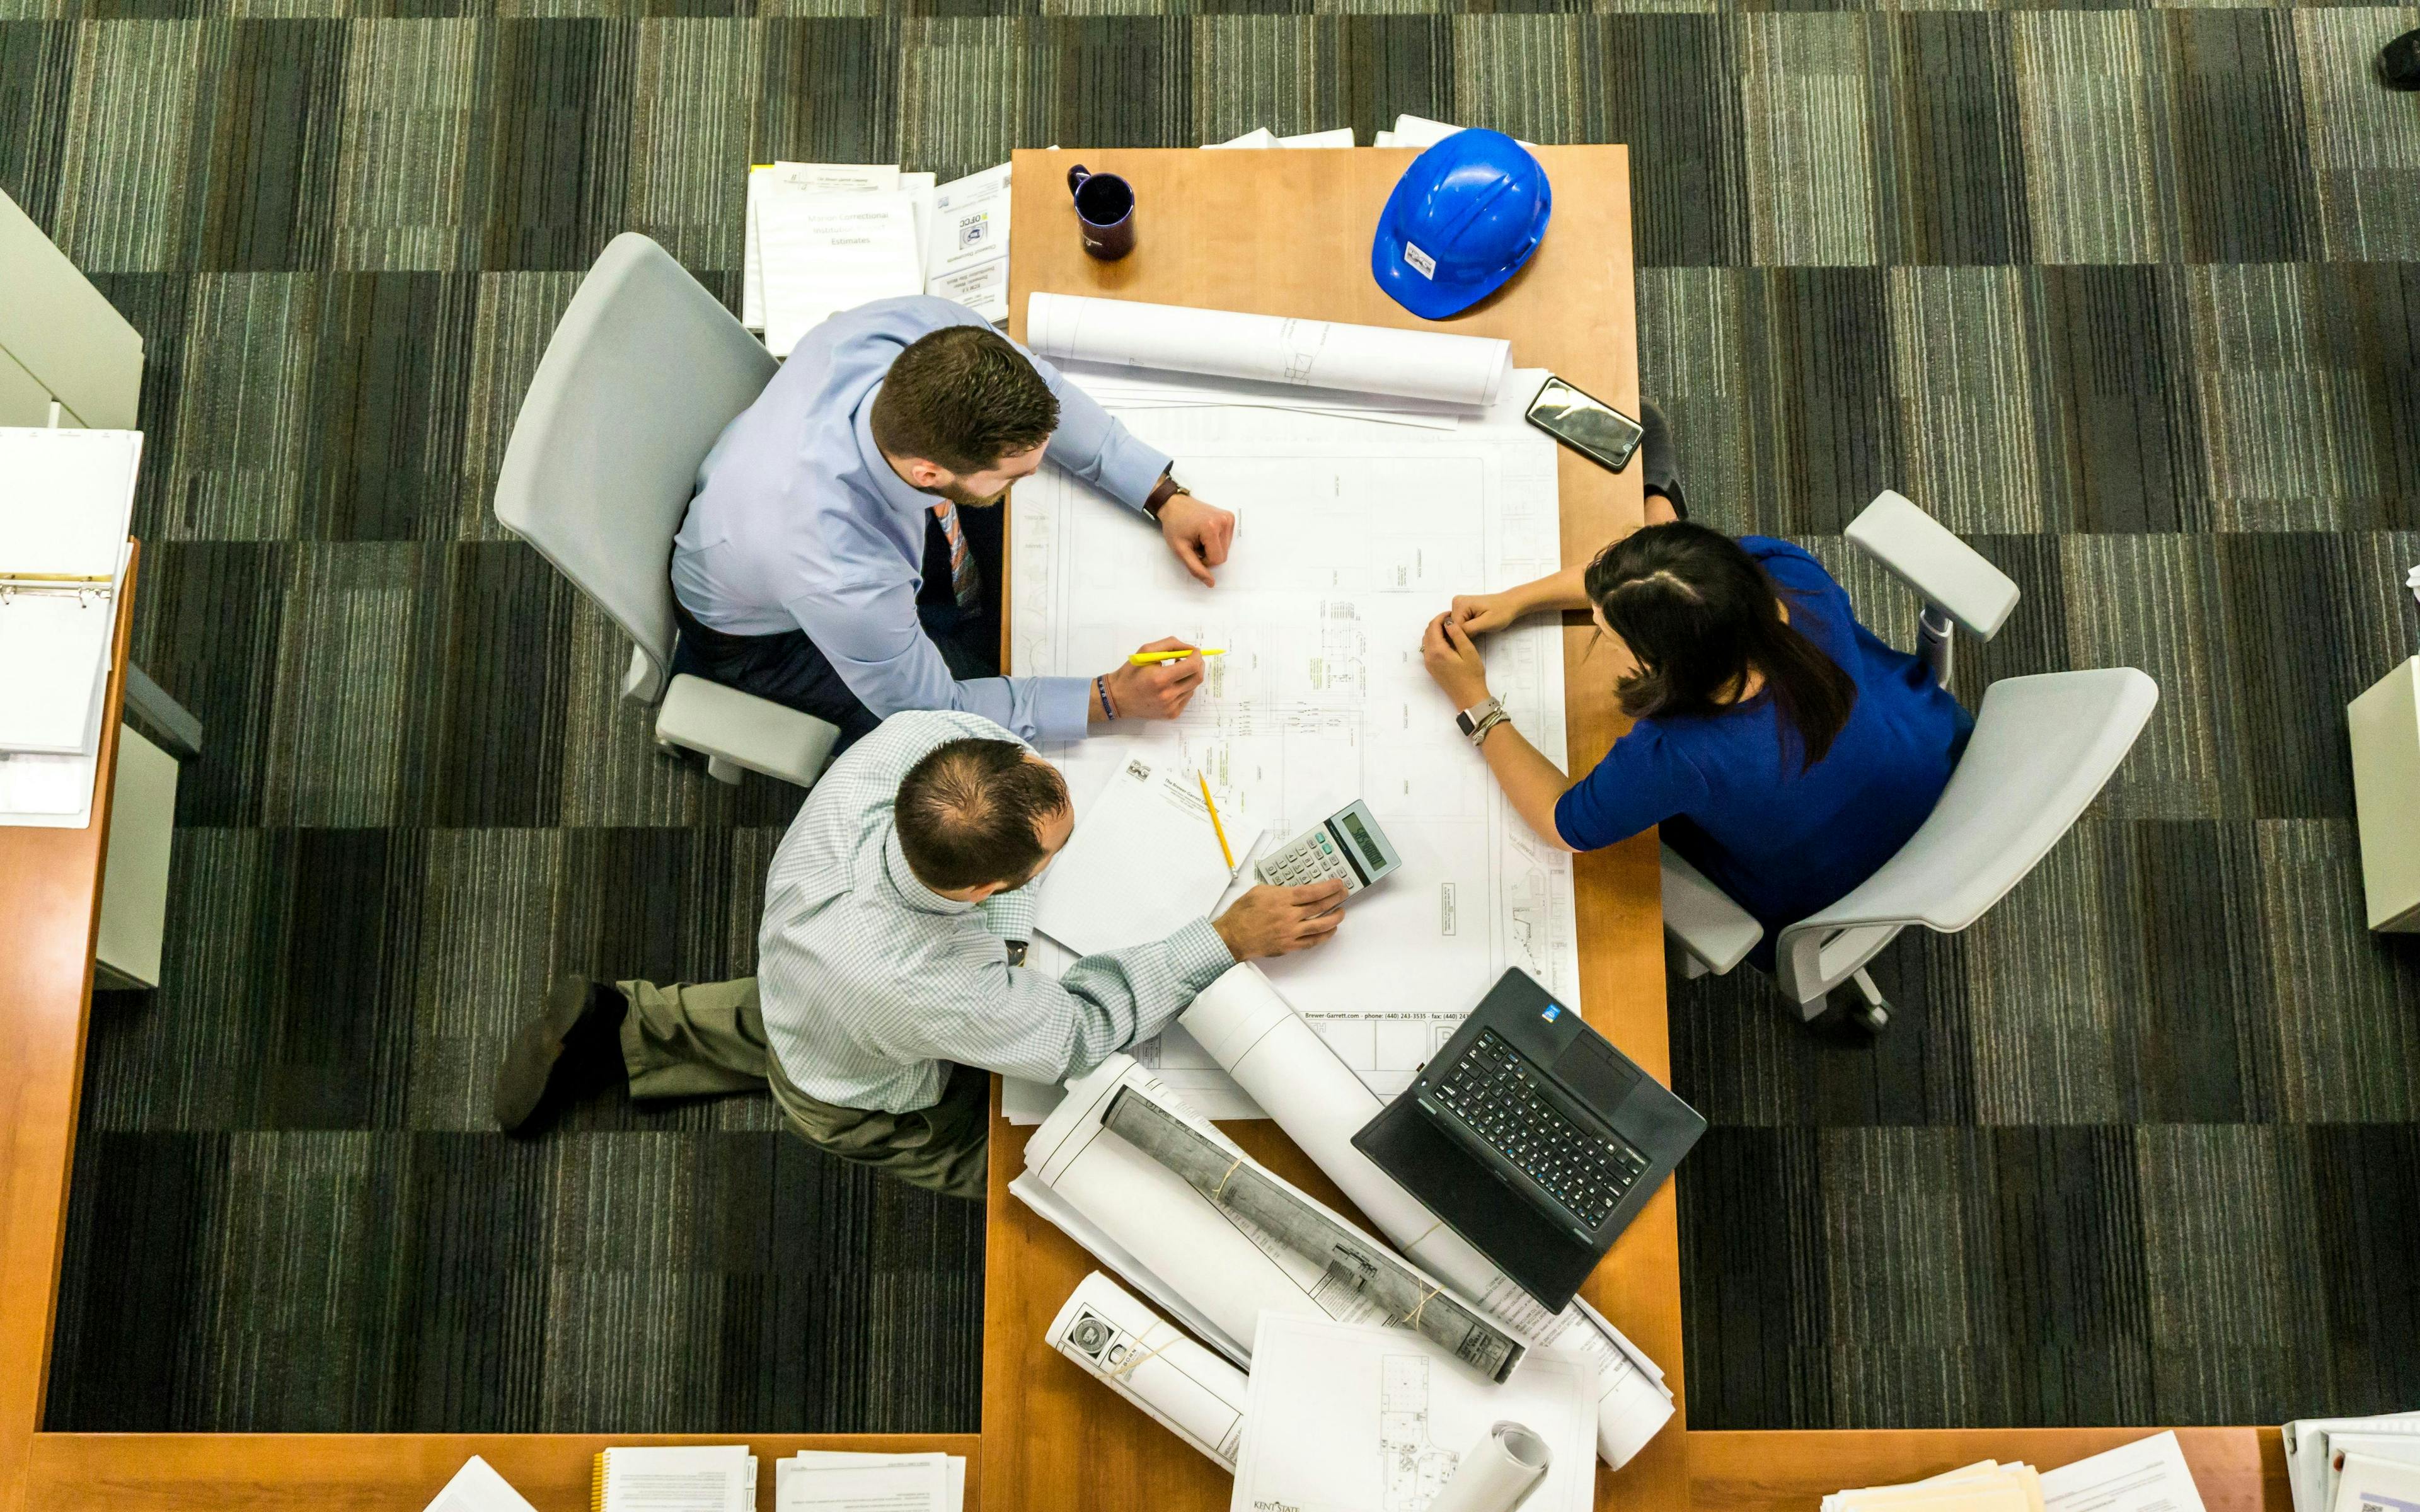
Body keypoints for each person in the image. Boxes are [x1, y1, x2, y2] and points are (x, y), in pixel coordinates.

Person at [491, 710, 1347, 1198]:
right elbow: (1078, 1035)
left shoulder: (916, 747)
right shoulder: (929, 987)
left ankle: (625, 1024)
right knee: (1029, 1166)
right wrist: (1224, 937)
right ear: (986, 890)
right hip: (859, 1088)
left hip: (807, 970)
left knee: (797, 1012)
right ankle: (1030, 1184)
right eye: (1053, 855)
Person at [1417, 407, 1972, 982]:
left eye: (1608, 635)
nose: (1601, 639)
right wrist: (1518, 600)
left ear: (1662, 665)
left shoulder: (1679, 755)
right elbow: (1641, 576)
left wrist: (1475, 700)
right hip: (1924, 753)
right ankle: (1661, 508)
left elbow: (1564, 825)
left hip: (1831, 878)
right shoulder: (1781, 571)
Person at [669, 295, 1238, 752]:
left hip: (775, 509)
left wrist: (1161, 495)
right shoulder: (839, 571)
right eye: (1015, 473)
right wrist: (1109, 698)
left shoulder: (922, 329)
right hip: (767, 639)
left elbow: (1049, 393)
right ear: (929, 471)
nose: (1036, 473)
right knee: (984, 754)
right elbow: (936, 711)